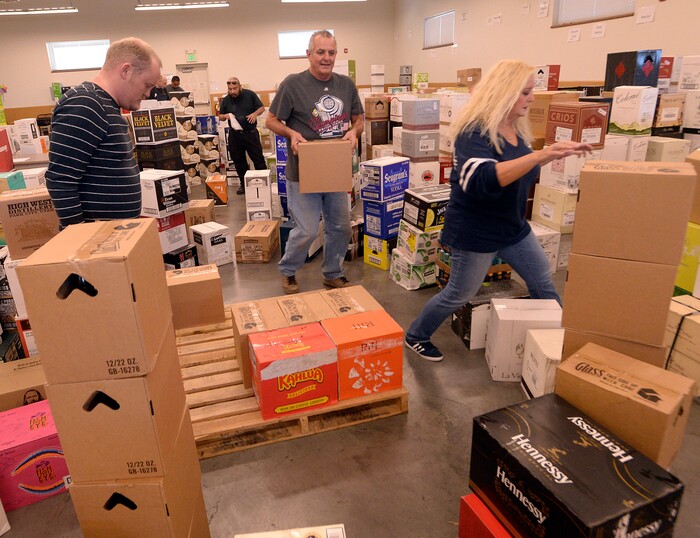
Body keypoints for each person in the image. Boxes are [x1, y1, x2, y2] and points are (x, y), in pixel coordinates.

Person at [404, 59, 592, 362]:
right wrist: (539, 156)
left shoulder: (515, 129)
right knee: (459, 293)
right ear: (504, 92)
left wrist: (551, 154)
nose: (531, 98)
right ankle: (416, 336)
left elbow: (519, 169)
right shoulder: (473, 132)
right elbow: (482, 178)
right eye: (526, 92)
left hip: (512, 227)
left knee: (542, 279)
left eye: (531, 92)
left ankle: (562, 339)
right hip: (475, 232)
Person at [266, 30, 363, 294]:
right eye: (320, 52)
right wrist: (292, 133)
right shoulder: (293, 84)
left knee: (341, 227)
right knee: (307, 230)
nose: (326, 57)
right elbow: (271, 120)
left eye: (331, 52)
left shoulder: (346, 85)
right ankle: (288, 270)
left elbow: (359, 119)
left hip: (333, 168)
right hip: (302, 170)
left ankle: (332, 272)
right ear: (309, 54)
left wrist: (354, 132)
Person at [46, 37, 162, 228]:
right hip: (95, 241)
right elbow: (61, 179)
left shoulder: (106, 105)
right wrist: (80, 236)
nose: (148, 93)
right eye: (147, 85)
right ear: (126, 71)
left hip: (112, 235)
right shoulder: (85, 104)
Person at [218, 76, 267, 195]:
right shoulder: (226, 100)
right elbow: (220, 115)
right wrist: (225, 116)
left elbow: (261, 108)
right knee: (239, 161)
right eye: (230, 89)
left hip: (250, 134)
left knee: (258, 159)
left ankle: (264, 182)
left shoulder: (249, 95)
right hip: (235, 135)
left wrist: (255, 114)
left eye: (234, 88)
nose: (232, 91)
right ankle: (244, 184)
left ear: (240, 87)